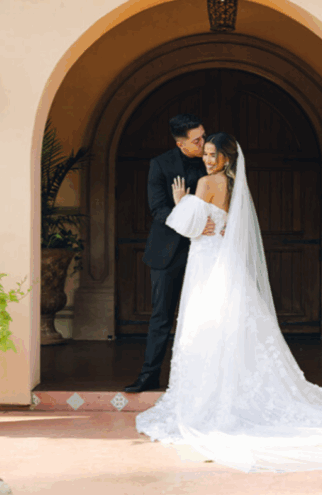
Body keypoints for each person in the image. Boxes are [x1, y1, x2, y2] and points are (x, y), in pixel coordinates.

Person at [134, 132, 322, 473]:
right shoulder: (233, 185)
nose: (208, 160)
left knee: (206, 323)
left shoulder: (208, 183)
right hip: (224, 262)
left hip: (207, 264)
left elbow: (186, 227)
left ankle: (212, 399)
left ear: (226, 157)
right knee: (231, 322)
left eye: (213, 155)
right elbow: (219, 225)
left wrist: (180, 200)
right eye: (206, 154)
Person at [124, 113, 222, 394]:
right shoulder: (160, 164)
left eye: (204, 135)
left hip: (206, 251)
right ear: (181, 144)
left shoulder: (214, 162)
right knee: (161, 317)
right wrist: (193, 221)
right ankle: (148, 376)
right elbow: (158, 209)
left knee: (208, 316)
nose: (204, 142)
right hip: (168, 251)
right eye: (197, 140)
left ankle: (205, 384)